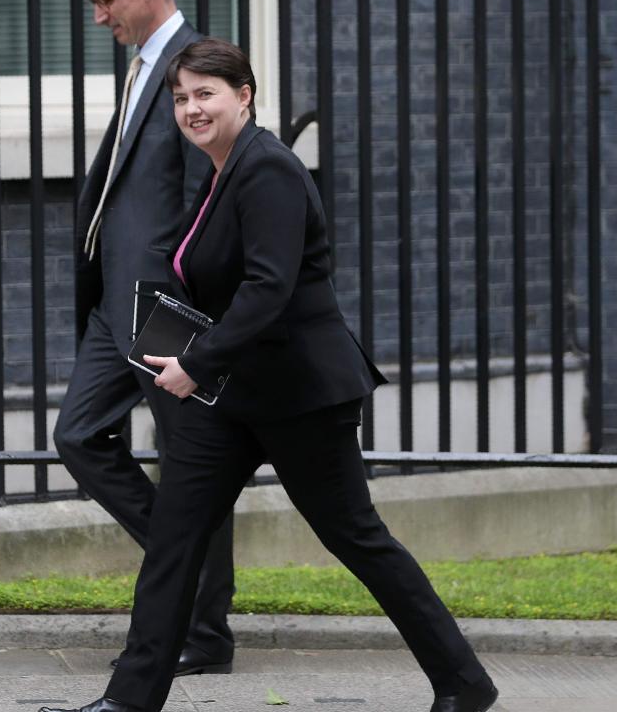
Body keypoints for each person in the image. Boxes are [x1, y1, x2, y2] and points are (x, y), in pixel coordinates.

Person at [41, 38, 499, 712]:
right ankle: (128, 702)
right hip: (231, 400)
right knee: (175, 537)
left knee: (356, 537)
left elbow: (269, 288)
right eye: (181, 96)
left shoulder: (268, 169)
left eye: (207, 94)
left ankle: (464, 683)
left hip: (299, 397)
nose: (192, 108)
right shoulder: (222, 169)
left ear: (244, 95)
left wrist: (194, 362)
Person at [51, 0, 236, 677]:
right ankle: (179, 565)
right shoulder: (142, 67)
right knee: (79, 436)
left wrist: (197, 307)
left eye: (106, 1)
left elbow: (213, 194)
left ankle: (206, 634)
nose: (99, 17)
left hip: (167, 308)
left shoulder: (194, 67)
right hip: (114, 302)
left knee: (196, 469)